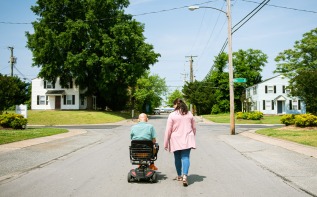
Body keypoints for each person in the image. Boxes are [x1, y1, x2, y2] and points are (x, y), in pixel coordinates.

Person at [164, 98, 196, 187]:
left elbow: (168, 130)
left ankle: (179, 176)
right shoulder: (190, 114)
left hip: (176, 139)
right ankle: (185, 175)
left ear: (175, 105)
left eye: (173, 105)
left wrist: (166, 142)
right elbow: (194, 128)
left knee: (177, 158)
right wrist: (192, 136)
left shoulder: (172, 115)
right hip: (188, 138)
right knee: (185, 157)